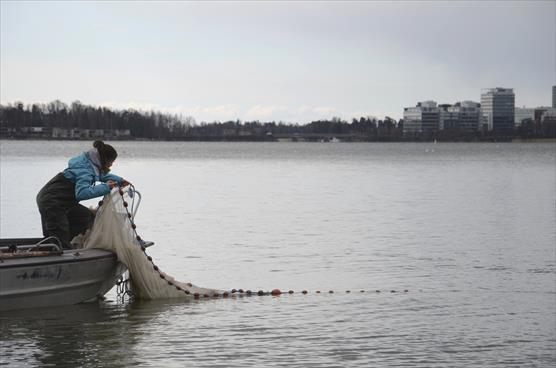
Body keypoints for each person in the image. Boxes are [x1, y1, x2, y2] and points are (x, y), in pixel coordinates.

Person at [36, 140, 130, 249]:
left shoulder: (88, 163)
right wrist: (106, 187)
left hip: (56, 200)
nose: (111, 164)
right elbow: (81, 193)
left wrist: (119, 180)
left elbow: (100, 175)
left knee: (86, 216)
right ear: (104, 159)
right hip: (52, 203)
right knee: (59, 239)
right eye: (110, 161)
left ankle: (62, 240)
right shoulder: (86, 171)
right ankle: (59, 248)